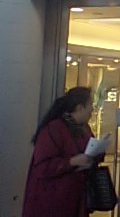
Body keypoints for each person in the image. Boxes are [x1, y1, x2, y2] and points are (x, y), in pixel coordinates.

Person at [23, 87, 97, 217]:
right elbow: (41, 167)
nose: (92, 110)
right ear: (80, 108)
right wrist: (72, 162)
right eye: (90, 105)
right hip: (52, 202)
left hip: (74, 199)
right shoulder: (53, 129)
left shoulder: (84, 129)